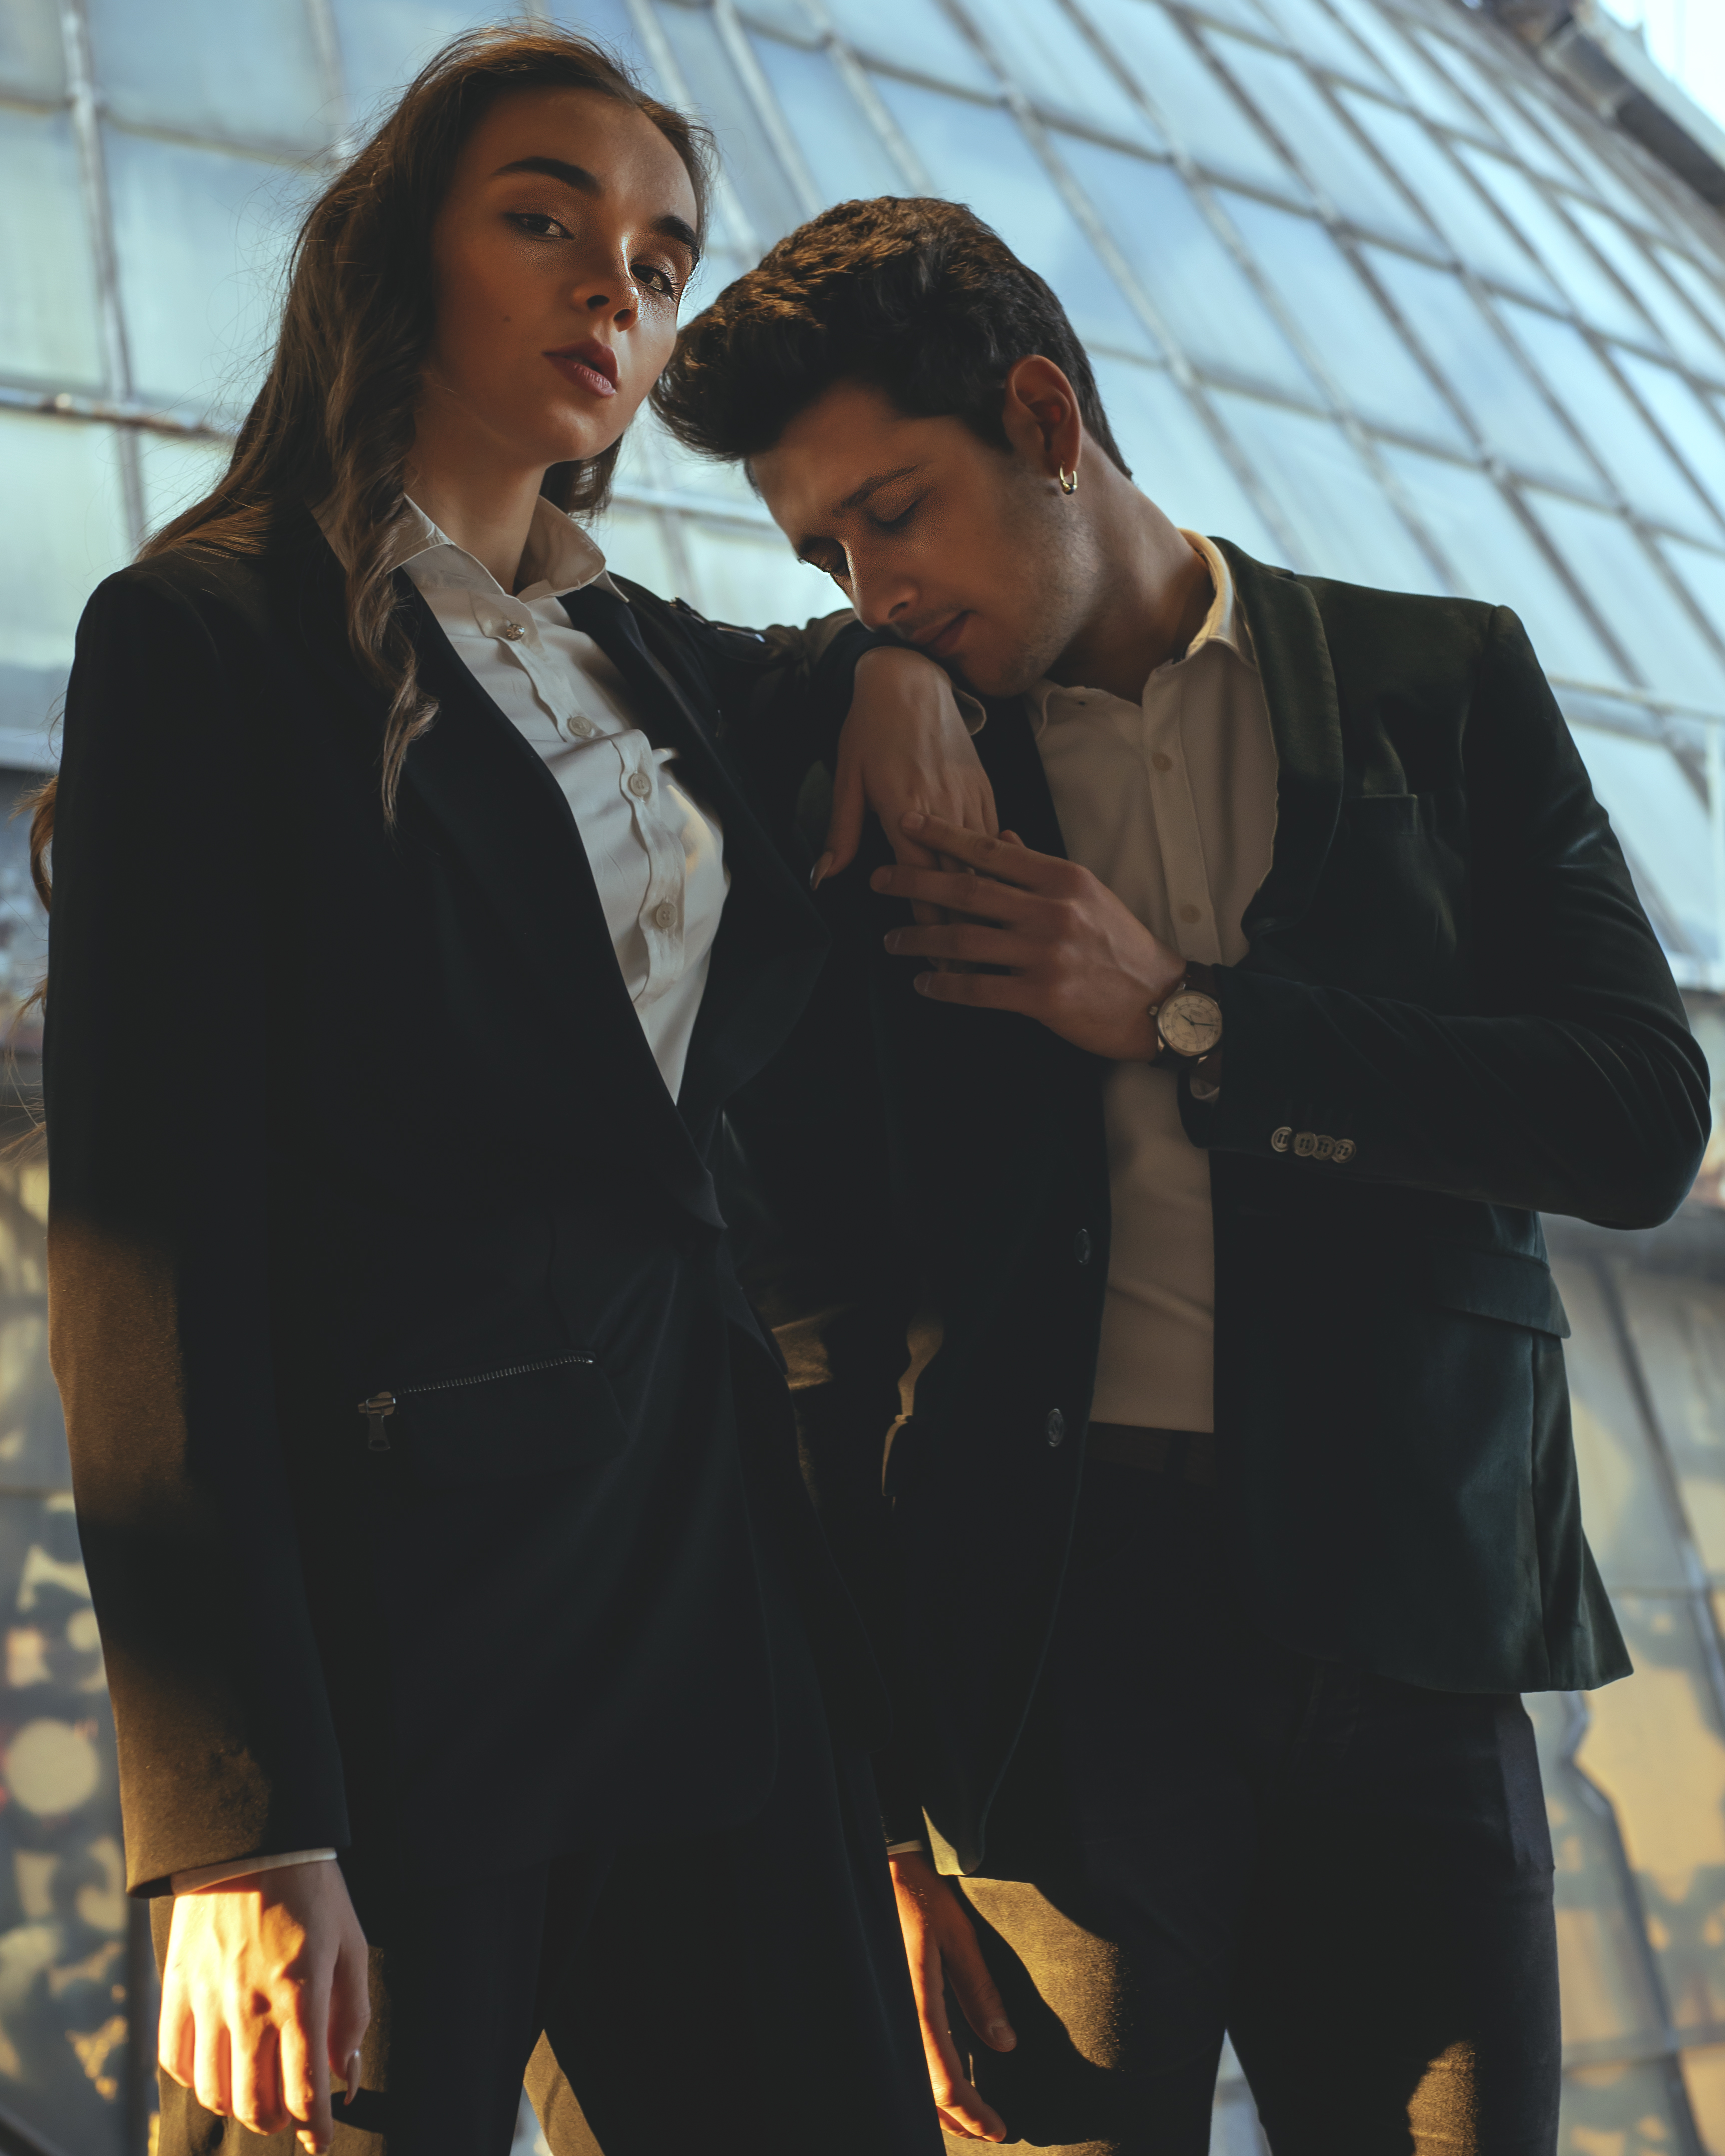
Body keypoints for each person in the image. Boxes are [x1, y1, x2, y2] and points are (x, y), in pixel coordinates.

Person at [647, 196, 1713, 2154]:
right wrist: (876, 1825)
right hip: (1051, 1680)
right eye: (827, 554)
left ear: (1046, 419)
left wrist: (1191, 1018)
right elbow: (818, 1314)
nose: (873, 585)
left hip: (1409, 1632)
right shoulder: (892, 771)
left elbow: (1637, 1116)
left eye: (895, 514)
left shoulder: (1433, 680)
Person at [40, 42, 989, 2156]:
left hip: (716, 1607)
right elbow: (150, 1255)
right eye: (546, 219)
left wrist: (885, 666)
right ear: (401, 256)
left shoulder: (646, 658)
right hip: (408, 1664)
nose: (612, 292)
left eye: (657, 261)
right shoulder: (207, 639)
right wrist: (237, 1817)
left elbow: (799, 674)